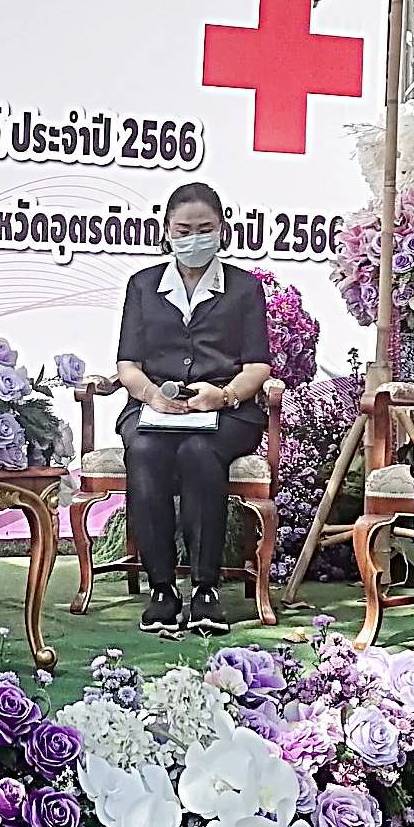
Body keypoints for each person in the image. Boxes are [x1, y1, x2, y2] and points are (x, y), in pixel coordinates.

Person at [111, 183, 273, 637]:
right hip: (154, 406)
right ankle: (161, 588)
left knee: (200, 453)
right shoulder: (143, 285)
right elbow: (128, 364)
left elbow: (257, 365)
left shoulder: (243, 288)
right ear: (166, 232)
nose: (194, 238)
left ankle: (206, 588)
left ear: (224, 229)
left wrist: (222, 397)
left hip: (225, 409)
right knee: (143, 452)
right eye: (183, 229)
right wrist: (151, 396)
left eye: (205, 228)